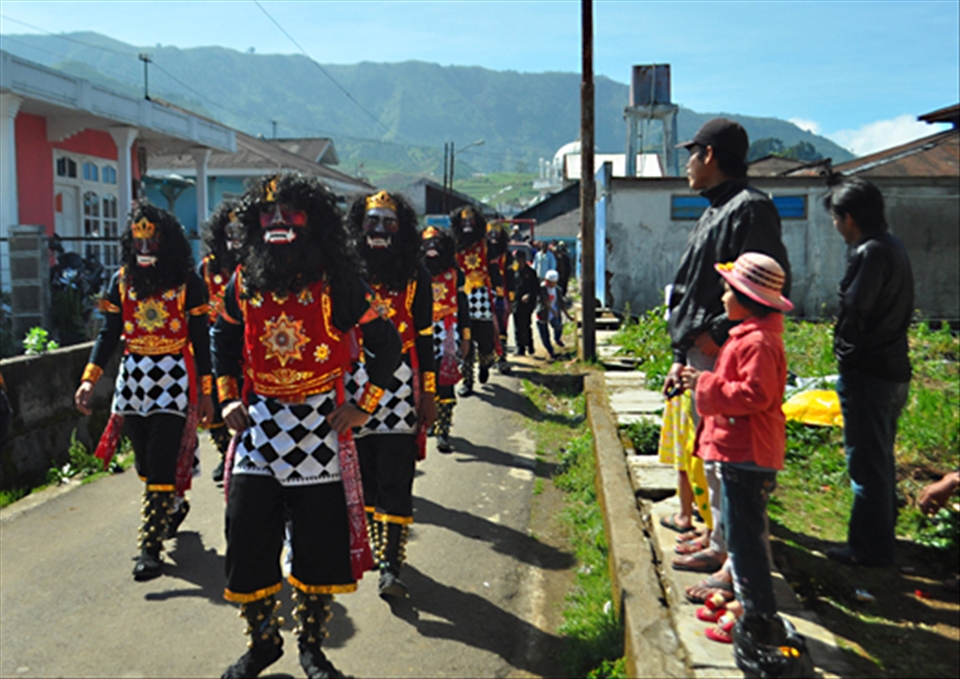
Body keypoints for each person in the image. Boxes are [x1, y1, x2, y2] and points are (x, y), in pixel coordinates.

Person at [212, 174, 401, 679]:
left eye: (290, 212)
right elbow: (223, 340)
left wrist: (365, 406)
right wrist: (227, 396)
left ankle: (312, 650)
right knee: (246, 536)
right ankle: (263, 642)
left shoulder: (339, 283)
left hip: (320, 428)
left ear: (312, 220)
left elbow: (388, 343)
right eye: (268, 213)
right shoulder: (242, 282)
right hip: (260, 427)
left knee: (318, 546)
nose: (277, 221)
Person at [664, 118, 791, 593]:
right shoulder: (717, 207)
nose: (688, 165)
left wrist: (715, 336)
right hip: (702, 352)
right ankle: (719, 540)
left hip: (725, 354)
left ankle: (733, 559)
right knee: (714, 455)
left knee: (729, 461)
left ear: (710, 155)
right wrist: (682, 349)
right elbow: (696, 288)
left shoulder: (750, 208)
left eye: (692, 155)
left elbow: (759, 284)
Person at [74, 201, 214, 581]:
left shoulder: (190, 282)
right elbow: (107, 332)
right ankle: (174, 502)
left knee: (161, 455)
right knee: (145, 462)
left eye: (152, 243)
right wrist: (90, 378)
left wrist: (207, 393)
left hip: (173, 376)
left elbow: (203, 340)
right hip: (133, 378)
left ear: (166, 243)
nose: (145, 250)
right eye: (139, 243)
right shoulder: (119, 280)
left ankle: (150, 549)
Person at [679, 252, 793, 649]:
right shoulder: (750, 334)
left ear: (749, 298)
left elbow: (756, 394)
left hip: (748, 455)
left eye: (729, 290)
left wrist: (704, 386)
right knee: (741, 536)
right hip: (738, 453)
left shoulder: (758, 341)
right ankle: (745, 607)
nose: (724, 296)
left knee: (746, 545)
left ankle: (758, 620)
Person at [346, 190, 437, 598]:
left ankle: (391, 566)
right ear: (358, 226)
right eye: (372, 221)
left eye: (388, 222)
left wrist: (430, 394)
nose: (379, 230)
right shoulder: (344, 272)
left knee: (396, 476)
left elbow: (425, 338)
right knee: (363, 472)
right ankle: (366, 550)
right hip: (354, 383)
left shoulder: (416, 277)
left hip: (401, 388)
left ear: (402, 230)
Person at [824, 178, 914, 568]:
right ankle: (880, 533)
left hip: (870, 372)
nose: (835, 226)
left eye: (835, 218)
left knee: (866, 462)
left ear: (849, 218)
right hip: (893, 369)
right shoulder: (893, 247)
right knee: (879, 457)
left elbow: (856, 311)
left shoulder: (869, 253)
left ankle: (870, 548)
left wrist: (844, 354)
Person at [199, 199, 243, 483]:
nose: (234, 238)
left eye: (239, 232)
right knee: (216, 402)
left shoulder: (255, 265)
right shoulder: (206, 268)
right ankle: (225, 452)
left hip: (248, 345)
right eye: (229, 232)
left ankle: (241, 453)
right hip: (216, 342)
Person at [422, 225, 470, 453]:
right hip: (422, 334)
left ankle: (444, 431)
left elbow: (463, 305)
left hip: (447, 335)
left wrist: (466, 337)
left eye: (436, 244)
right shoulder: (415, 272)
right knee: (423, 383)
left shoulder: (455, 273)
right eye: (427, 243)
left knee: (445, 385)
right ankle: (429, 423)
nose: (432, 248)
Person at [451, 206, 499, 396]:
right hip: (461, 295)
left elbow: (494, 271)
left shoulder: (486, 244)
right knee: (465, 338)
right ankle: (467, 381)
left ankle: (486, 363)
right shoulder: (454, 245)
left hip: (482, 295)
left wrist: (501, 294)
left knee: (485, 338)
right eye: (464, 222)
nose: (467, 225)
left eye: (471, 221)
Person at [486, 220, 514, 374]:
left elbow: (510, 277)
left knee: (502, 328)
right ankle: (487, 356)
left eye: (496, 234)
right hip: (484, 295)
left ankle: (502, 357)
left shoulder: (507, 255)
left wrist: (510, 299)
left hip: (501, 297)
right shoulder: (482, 253)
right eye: (490, 234)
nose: (493, 237)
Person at [512, 248, 539, 357]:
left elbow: (536, 288)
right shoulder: (514, 272)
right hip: (516, 302)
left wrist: (529, 295)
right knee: (517, 325)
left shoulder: (530, 272)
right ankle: (520, 348)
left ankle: (530, 345)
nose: (518, 261)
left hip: (527, 303)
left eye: (519, 259)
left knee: (526, 324)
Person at [535, 270, 568, 360]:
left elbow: (562, 303)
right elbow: (545, 301)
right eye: (549, 283)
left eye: (553, 283)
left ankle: (557, 339)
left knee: (558, 326)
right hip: (543, 313)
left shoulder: (558, 290)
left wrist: (568, 315)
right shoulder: (542, 288)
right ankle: (550, 351)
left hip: (554, 314)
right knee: (544, 335)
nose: (551, 285)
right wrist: (552, 310)